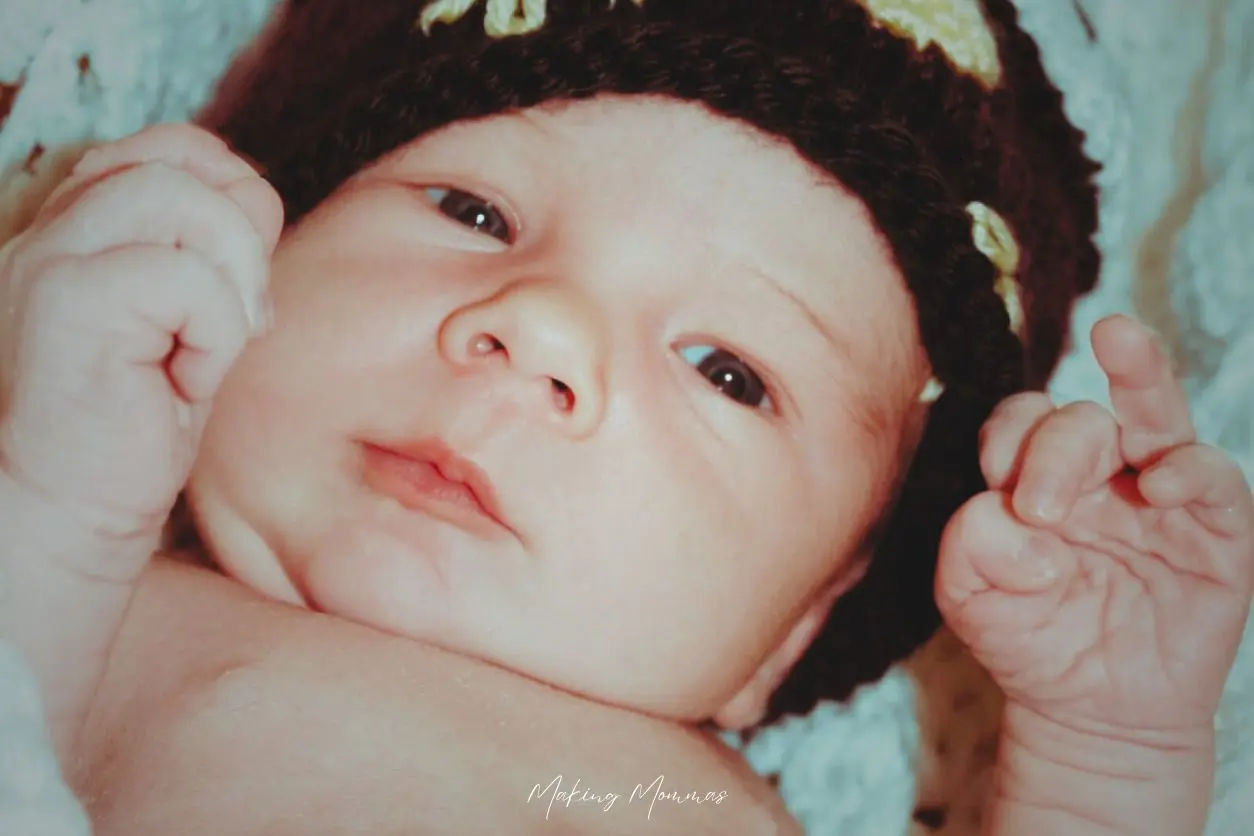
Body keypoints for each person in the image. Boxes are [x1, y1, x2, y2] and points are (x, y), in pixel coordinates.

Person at [0, 0, 1250, 833]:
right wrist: (54, 509)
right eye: (472, 212)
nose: (540, 326)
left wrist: (1106, 757)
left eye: (727, 370)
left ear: (799, 628)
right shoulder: (91, 609)